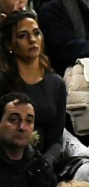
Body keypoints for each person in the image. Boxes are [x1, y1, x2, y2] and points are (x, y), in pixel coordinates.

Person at [0, 12, 67, 164]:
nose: (32, 40)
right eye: (22, 35)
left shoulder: (57, 83)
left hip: (43, 162)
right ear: (9, 44)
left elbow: (56, 140)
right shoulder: (3, 81)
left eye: (36, 33)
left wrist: (45, 165)